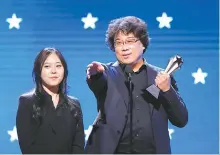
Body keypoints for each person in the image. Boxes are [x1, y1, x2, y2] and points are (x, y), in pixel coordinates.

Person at [85, 16, 188, 154]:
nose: (124, 47)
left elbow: (181, 120)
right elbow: (98, 82)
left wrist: (167, 90)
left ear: (143, 43)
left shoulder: (161, 77)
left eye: (130, 41)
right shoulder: (107, 73)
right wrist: (95, 74)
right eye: (119, 43)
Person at [16, 47, 85, 154]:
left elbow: (78, 145)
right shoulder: (27, 102)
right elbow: (27, 147)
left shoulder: (74, 105)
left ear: (64, 70)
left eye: (58, 66)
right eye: (47, 66)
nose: (54, 71)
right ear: (39, 71)